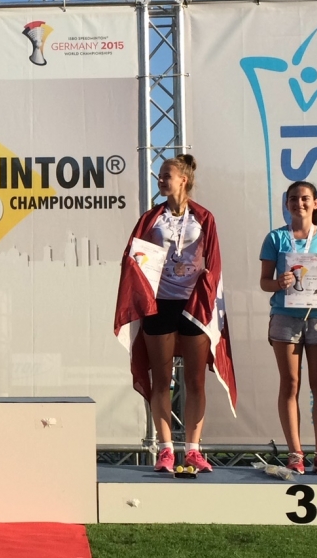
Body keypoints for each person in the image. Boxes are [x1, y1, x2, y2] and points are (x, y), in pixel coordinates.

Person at [119, 155, 224, 473]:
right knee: (161, 380)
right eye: (160, 175)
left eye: (167, 175)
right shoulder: (152, 219)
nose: (161, 179)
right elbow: (133, 258)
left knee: (195, 380)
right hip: (159, 304)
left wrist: (206, 291)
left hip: (193, 305)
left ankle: (193, 450)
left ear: (183, 180)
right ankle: (165, 449)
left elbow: (214, 263)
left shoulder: (203, 217)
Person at [258, 181, 317, 475]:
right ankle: (295, 453)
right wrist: (278, 283)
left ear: (315, 203)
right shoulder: (276, 238)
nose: (299, 203)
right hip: (285, 317)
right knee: (290, 384)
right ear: (287, 204)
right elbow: (264, 282)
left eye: (305, 198)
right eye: (293, 199)